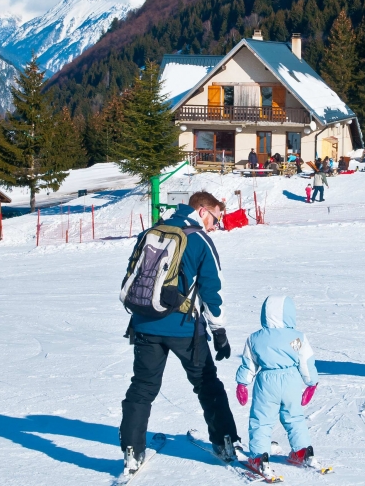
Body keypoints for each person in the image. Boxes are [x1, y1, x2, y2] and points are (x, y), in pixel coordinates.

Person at [120, 191, 239, 475]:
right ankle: (224, 443)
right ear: (201, 211)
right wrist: (219, 330)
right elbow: (211, 290)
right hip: (184, 327)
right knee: (207, 384)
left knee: (142, 387)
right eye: (215, 219)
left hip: (145, 323)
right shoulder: (199, 240)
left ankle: (131, 451)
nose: (215, 226)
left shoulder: (151, 232)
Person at [235, 296, 320, 478]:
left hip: (266, 382)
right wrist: (311, 383)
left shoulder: (255, 338)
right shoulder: (297, 338)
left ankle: (259, 457)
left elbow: (249, 364)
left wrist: (243, 383)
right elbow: (305, 362)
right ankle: (302, 450)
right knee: (295, 417)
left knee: (261, 420)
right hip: (292, 382)